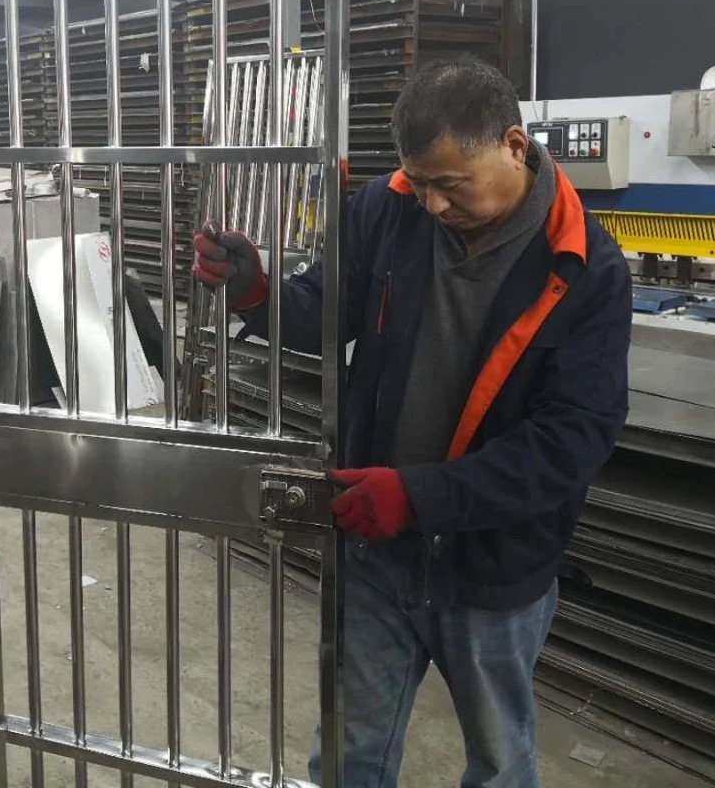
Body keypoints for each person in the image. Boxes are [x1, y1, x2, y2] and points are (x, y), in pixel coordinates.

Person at [191, 56, 632, 788]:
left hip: (491, 567)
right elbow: (328, 309)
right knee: (348, 754)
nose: (432, 203)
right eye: (419, 182)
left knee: (499, 762)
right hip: (378, 554)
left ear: (513, 146)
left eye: (450, 184)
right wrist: (258, 291)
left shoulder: (585, 267)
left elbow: (571, 441)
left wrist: (421, 496)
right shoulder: (388, 207)